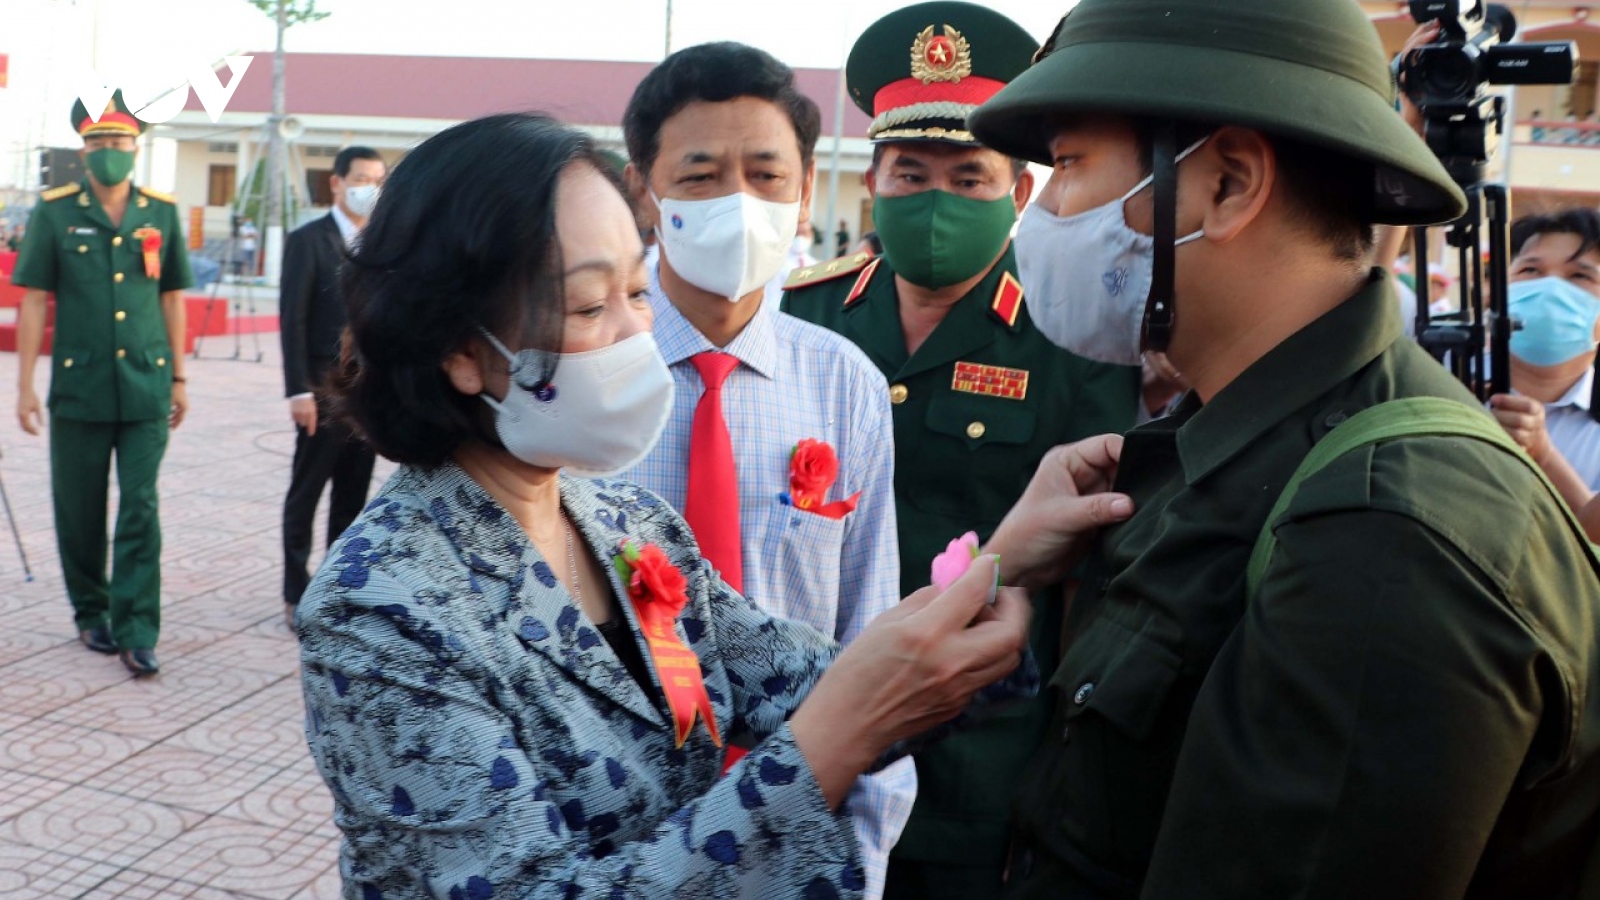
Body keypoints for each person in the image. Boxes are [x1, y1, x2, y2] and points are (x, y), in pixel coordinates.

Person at [296, 111, 1065, 899]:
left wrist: (1002, 567)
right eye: (589, 306)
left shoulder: (627, 526)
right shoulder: (382, 608)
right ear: (461, 352)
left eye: (638, 289)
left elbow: (817, 681)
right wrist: (830, 741)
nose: (638, 332)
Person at [967, 0, 1600, 895]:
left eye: (1067, 167)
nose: (1044, 214)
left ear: (1228, 184)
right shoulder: (1230, 438)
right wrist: (995, 572)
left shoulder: (1384, 529)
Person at [781, 6, 1139, 896]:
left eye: (969, 176)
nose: (935, 199)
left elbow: (1092, 575)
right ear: (873, 182)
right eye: (911, 173)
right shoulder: (800, 318)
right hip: (802, 730)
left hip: (978, 758)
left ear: (1018, 195)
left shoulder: (1072, 340)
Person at [615, 43, 910, 898]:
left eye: (766, 174)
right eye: (701, 175)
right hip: (616, 825)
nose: (737, 201)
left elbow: (868, 626)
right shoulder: (589, 374)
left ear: (807, 189)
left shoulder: (842, 381)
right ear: (644, 190)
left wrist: (861, 853)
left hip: (795, 824)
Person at [11, 91, 193, 676]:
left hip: (146, 384)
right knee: (80, 508)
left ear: (136, 148)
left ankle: (137, 628)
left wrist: (180, 376)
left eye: (118, 141)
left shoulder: (160, 212)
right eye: (98, 143)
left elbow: (172, 297)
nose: (108, 151)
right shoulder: (55, 212)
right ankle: (92, 610)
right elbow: (34, 300)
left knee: (140, 505)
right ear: (83, 151)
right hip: (79, 385)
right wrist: (24, 385)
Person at [279, 146, 386, 631]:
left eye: (378, 180)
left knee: (352, 496)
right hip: (320, 389)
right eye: (361, 178)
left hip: (365, 391)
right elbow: (293, 320)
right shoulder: (308, 240)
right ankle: (294, 590)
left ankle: (336, 589)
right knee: (306, 491)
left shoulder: (382, 244)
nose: (370, 189)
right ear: (337, 183)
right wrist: (297, 391)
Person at [1488, 208, 1600, 537]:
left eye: (1580, 276)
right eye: (1531, 269)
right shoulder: (1442, 377)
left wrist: (1544, 455)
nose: (1550, 287)